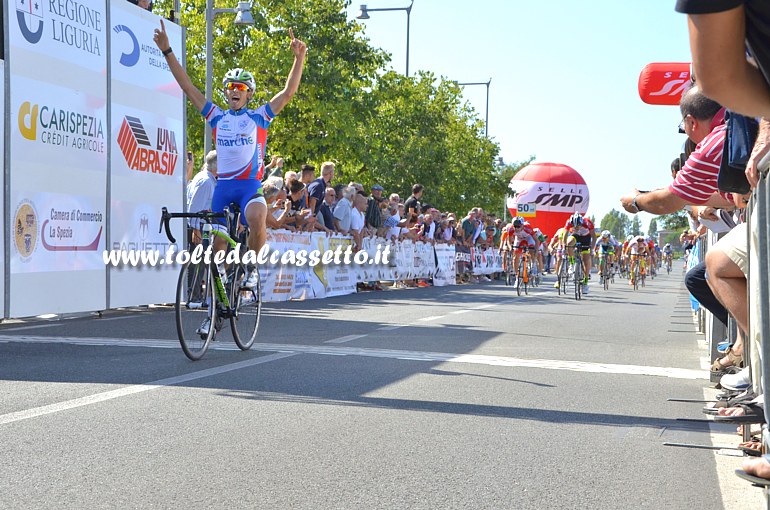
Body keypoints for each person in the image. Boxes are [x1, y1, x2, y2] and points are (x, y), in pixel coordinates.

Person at [153, 20, 307, 293]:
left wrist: (299, 58)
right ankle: (217, 297)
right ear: (226, 92)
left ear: (249, 94)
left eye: (241, 87)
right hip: (223, 188)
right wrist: (167, 51)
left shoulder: (259, 116)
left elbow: (288, 93)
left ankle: (252, 269)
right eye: (230, 87)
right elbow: (188, 88)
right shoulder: (217, 117)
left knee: (258, 215)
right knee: (218, 245)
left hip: (249, 186)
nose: (235, 91)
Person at [620, 86, 733, 214]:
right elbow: (729, 198)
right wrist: (681, 193)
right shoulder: (740, 118)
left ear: (691, 122)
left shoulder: (710, 148)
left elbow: (667, 202)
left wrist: (635, 201)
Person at [186, 150, 217, 244]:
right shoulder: (206, 182)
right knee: (199, 256)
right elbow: (195, 207)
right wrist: (195, 230)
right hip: (199, 228)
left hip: (201, 226)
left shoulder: (205, 178)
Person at [563, 212, 595, 293]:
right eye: (575, 226)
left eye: (578, 226)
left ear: (581, 223)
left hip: (586, 238)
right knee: (569, 243)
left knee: (586, 259)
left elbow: (594, 236)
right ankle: (572, 263)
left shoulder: (587, 222)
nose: (577, 227)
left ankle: (585, 282)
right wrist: (564, 246)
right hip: (576, 236)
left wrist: (592, 248)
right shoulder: (569, 222)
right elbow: (565, 235)